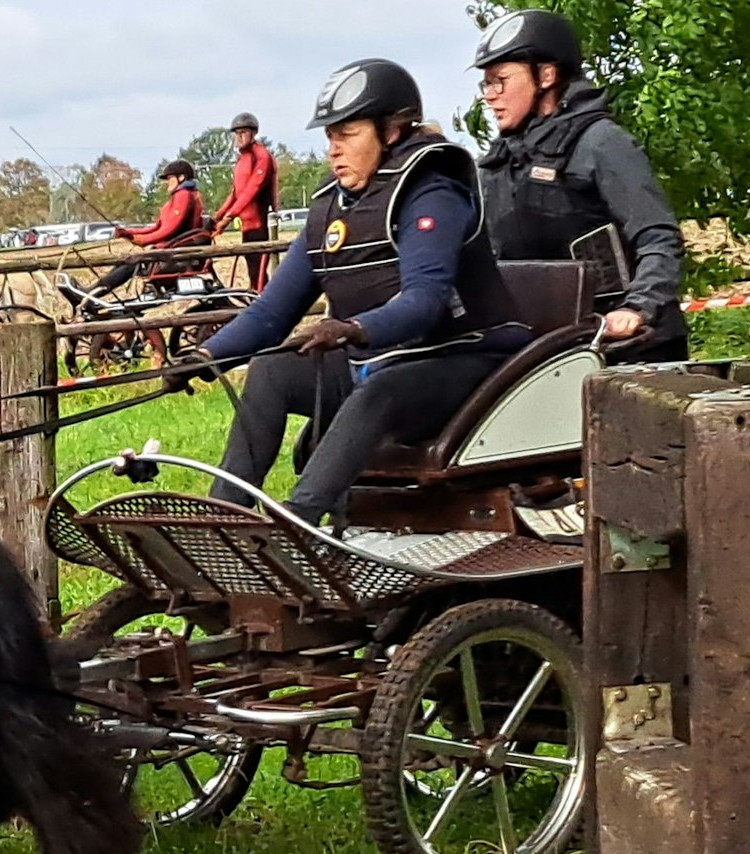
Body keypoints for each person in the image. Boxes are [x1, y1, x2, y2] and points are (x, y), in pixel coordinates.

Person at [173, 59, 533, 526]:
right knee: (272, 370)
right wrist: (206, 355)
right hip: (384, 359)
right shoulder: (331, 207)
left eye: (347, 134)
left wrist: (353, 328)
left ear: (393, 130)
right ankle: (224, 520)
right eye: (329, 136)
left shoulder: (433, 192)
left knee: (378, 391)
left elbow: (424, 301)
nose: (333, 150)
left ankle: (296, 526)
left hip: (466, 363)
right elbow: (270, 315)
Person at [474, 8, 688, 361]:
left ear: (546, 75)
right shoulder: (498, 162)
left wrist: (638, 307)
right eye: (486, 83)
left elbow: (658, 237)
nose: (490, 95)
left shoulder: (601, 143)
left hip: (631, 344)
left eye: (501, 80)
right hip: (553, 348)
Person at [86, 159, 207, 299]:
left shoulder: (184, 195)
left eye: (170, 178)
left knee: (131, 263)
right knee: (126, 262)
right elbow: (157, 227)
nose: (167, 182)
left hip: (173, 256)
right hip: (170, 252)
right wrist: (129, 233)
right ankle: (91, 293)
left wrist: (143, 240)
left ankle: (90, 295)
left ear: (181, 178)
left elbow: (169, 229)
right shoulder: (181, 196)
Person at [213, 112, 278, 289]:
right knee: (252, 270)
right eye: (236, 133)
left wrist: (229, 216)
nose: (239, 137)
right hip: (246, 225)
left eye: (243, 132)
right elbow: (235, 193)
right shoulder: (242, 160)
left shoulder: (261, 157)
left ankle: (263, 305)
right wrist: (218, 217)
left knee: (258, 272)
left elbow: (251, 191)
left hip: (259, 223)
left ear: (253, 133)